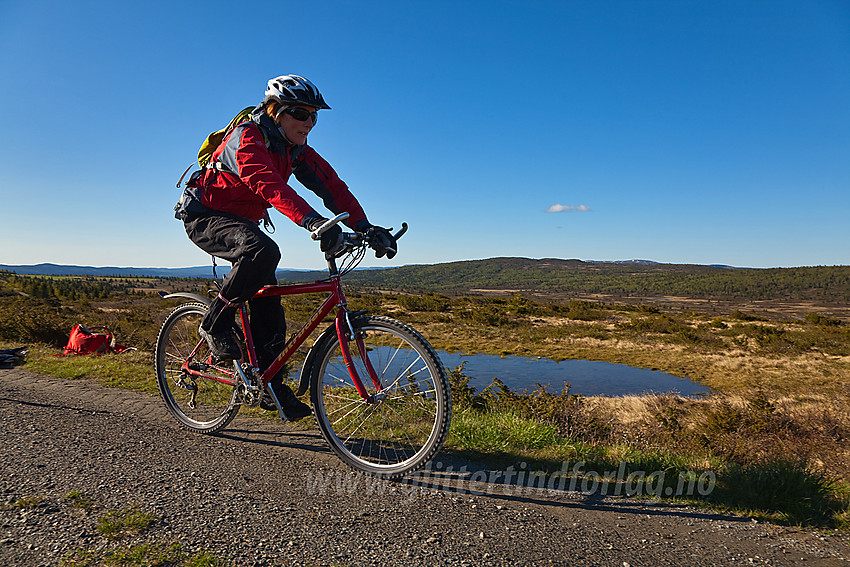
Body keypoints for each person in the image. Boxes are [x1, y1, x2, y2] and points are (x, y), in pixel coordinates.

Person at [176, 74, 397, 420]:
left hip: (242, 221)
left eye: (314, 115)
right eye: (299, 112)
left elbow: (332, 187)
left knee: (270, 304)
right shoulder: (246, 137)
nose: (308, 122)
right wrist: (312, 222)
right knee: (263, 250)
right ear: (274, 110)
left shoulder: (297, 151)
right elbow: (267, 182)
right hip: (205, 214)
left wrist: (365, 226)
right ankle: (215, 323)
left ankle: (269, 382)